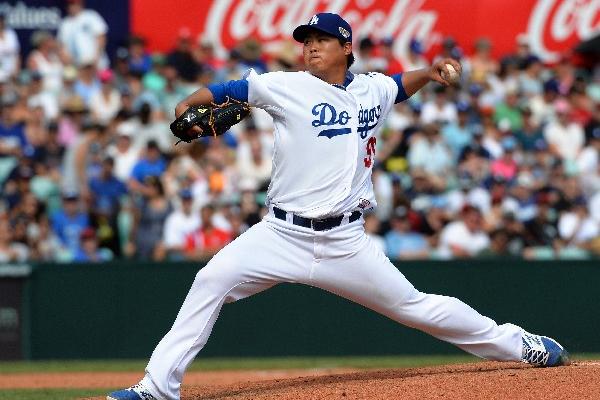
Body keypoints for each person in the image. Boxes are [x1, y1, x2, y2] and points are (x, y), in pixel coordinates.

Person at [108, 12, 570, 400]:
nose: (311, 47)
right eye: (306, 40)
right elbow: (228, 88)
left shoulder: (373, 89)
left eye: (322, 40)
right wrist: (189, 103)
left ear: (346, 47)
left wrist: (429, 74)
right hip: (280, 234)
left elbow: (397, 85)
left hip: (345, 241)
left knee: (416, 307)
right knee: (210, 280)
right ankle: (157, 388)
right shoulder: (284, 86)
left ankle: (518, 343)